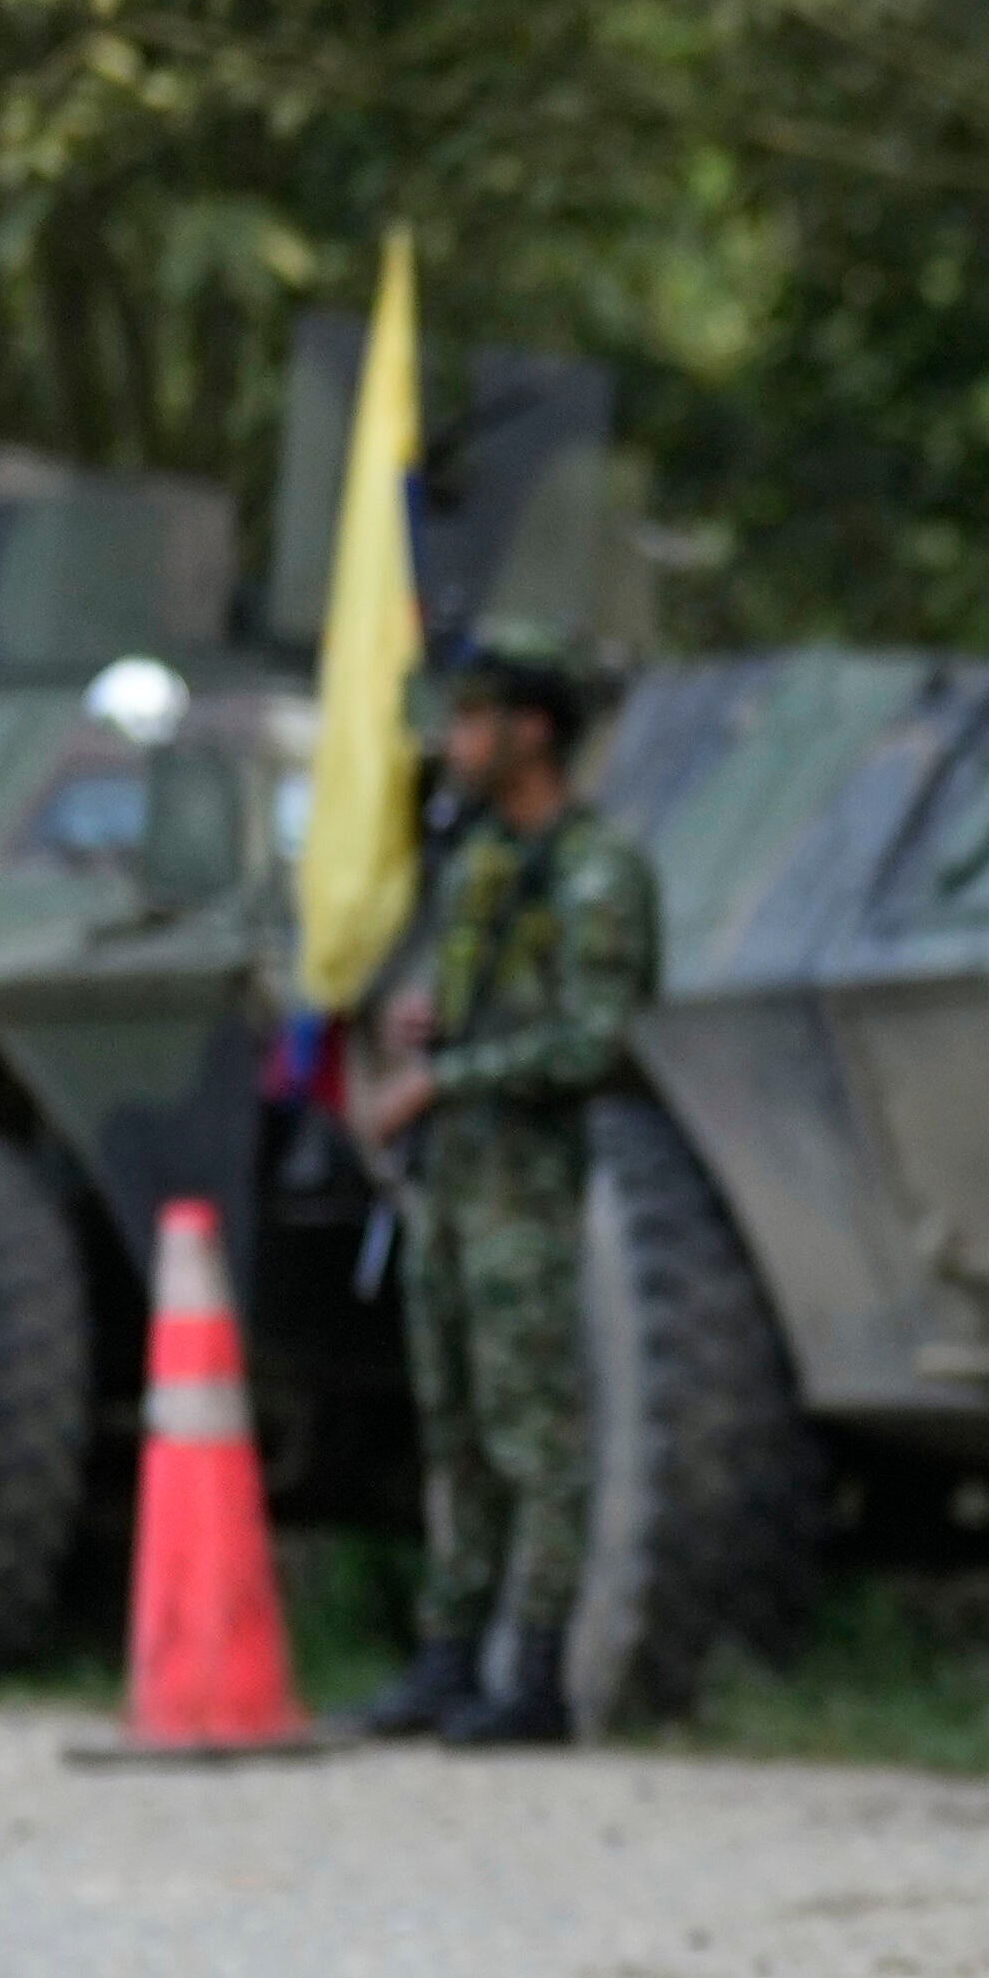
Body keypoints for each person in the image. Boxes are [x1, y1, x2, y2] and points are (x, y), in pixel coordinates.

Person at [342, 623, 658, 1751]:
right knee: (456, 1428)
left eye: (473, 720)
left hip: (524, 1185)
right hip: (454, 1187)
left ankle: (535, 1674)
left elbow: (595, 1041)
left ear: (531, 732)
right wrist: (417, 1024)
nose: (453, 742)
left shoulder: (595, 872)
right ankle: (445, 1657)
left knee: (537, 1437)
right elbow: (461, 999)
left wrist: (446, 1078)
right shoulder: (480, 866)